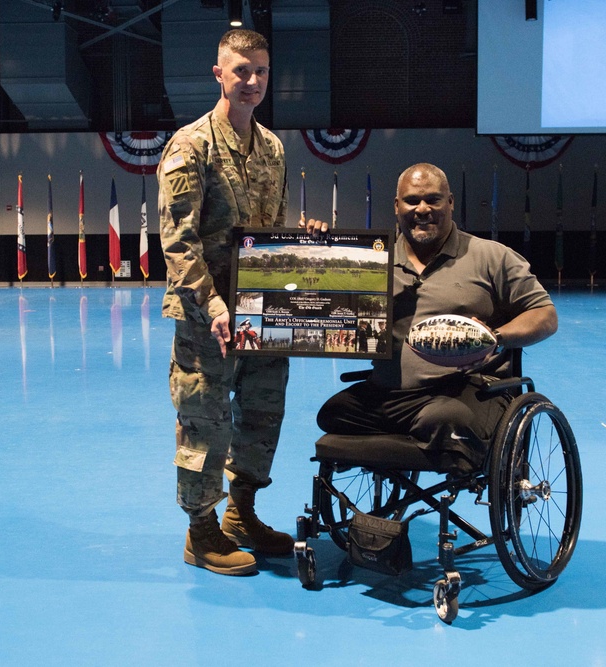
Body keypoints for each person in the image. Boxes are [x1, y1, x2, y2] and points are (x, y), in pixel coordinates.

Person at [158, 29, 326, 576]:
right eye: (241, 71)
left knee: (260, 415)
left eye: (261, 72)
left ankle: (241, 514)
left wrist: (307, 241)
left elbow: (265, 237)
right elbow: (178, 243)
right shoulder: (189, 147)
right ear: (219, 73)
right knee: (204, 420)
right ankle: (200, 532)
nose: (252, 82)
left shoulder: (273, 148)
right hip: (209, 318)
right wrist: (213, 306)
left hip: (262, 310)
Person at [316, 164, 558, 474]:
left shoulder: (491, 257)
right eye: (412, 200)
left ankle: (444, 441)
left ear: (450, 203)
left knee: (444, 420)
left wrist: (495, 336)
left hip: (465, 391)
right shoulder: (373, 260)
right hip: (388, 393)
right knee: (332, 414)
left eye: (433, 199)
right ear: (396, 206)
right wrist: (317, 249)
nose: (422, 209)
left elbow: (545, 315)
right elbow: (321, 302)